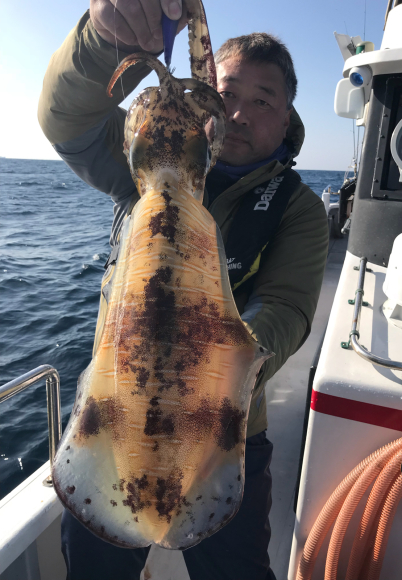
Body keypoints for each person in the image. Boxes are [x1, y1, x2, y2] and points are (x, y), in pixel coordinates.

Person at [38, 1, 329, 578]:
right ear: (209, 101)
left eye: (264, 100)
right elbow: (65, 118)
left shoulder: (297, 206)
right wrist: (103, 36)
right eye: (229, 94)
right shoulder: (138, 170)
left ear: (289, 115)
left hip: (228, 424)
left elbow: (288, 308)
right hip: (117, 410)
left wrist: (221, 360)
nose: (241, 113)